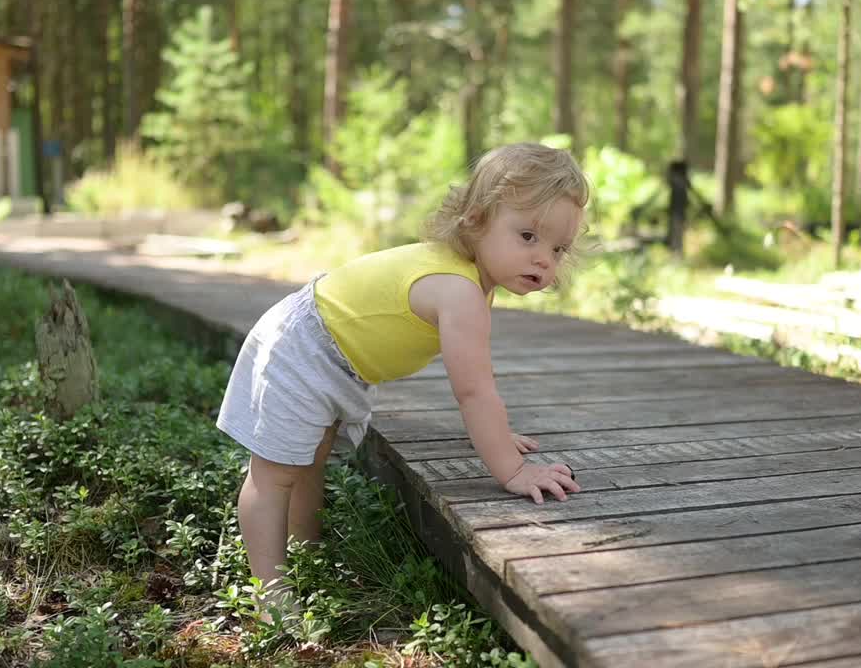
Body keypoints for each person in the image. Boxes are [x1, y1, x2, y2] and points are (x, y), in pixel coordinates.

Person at [216, 142, 587, 610]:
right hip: (303, 346)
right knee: (275, 474)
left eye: (558, 248)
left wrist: (497, 432)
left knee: (308, 460)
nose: (543, 259)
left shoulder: (468, 279)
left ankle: (305, 553)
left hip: (332, 354)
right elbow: (473, 391)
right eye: (528, 236)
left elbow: (476, 385)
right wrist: (510, 469)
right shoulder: (458, 290)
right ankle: (270, 598)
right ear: (476, 218)